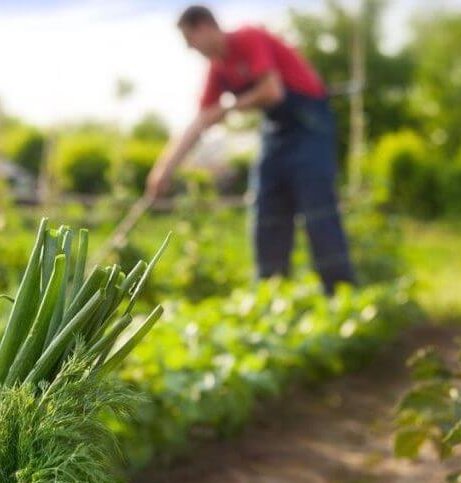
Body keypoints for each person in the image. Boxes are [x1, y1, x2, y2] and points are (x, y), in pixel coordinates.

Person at [146, 5, 356, 293]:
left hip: (310, 127)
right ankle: (272, 297)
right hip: (276, 132)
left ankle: (342, 296)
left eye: (189, 39)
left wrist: (229, 106)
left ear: (205, 26)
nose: (190, 48)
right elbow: (199, 121)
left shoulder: (248, 38)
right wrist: (163, 170)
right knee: (266, 210)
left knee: (317, 210)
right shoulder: (218, 70)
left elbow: (273, 91)